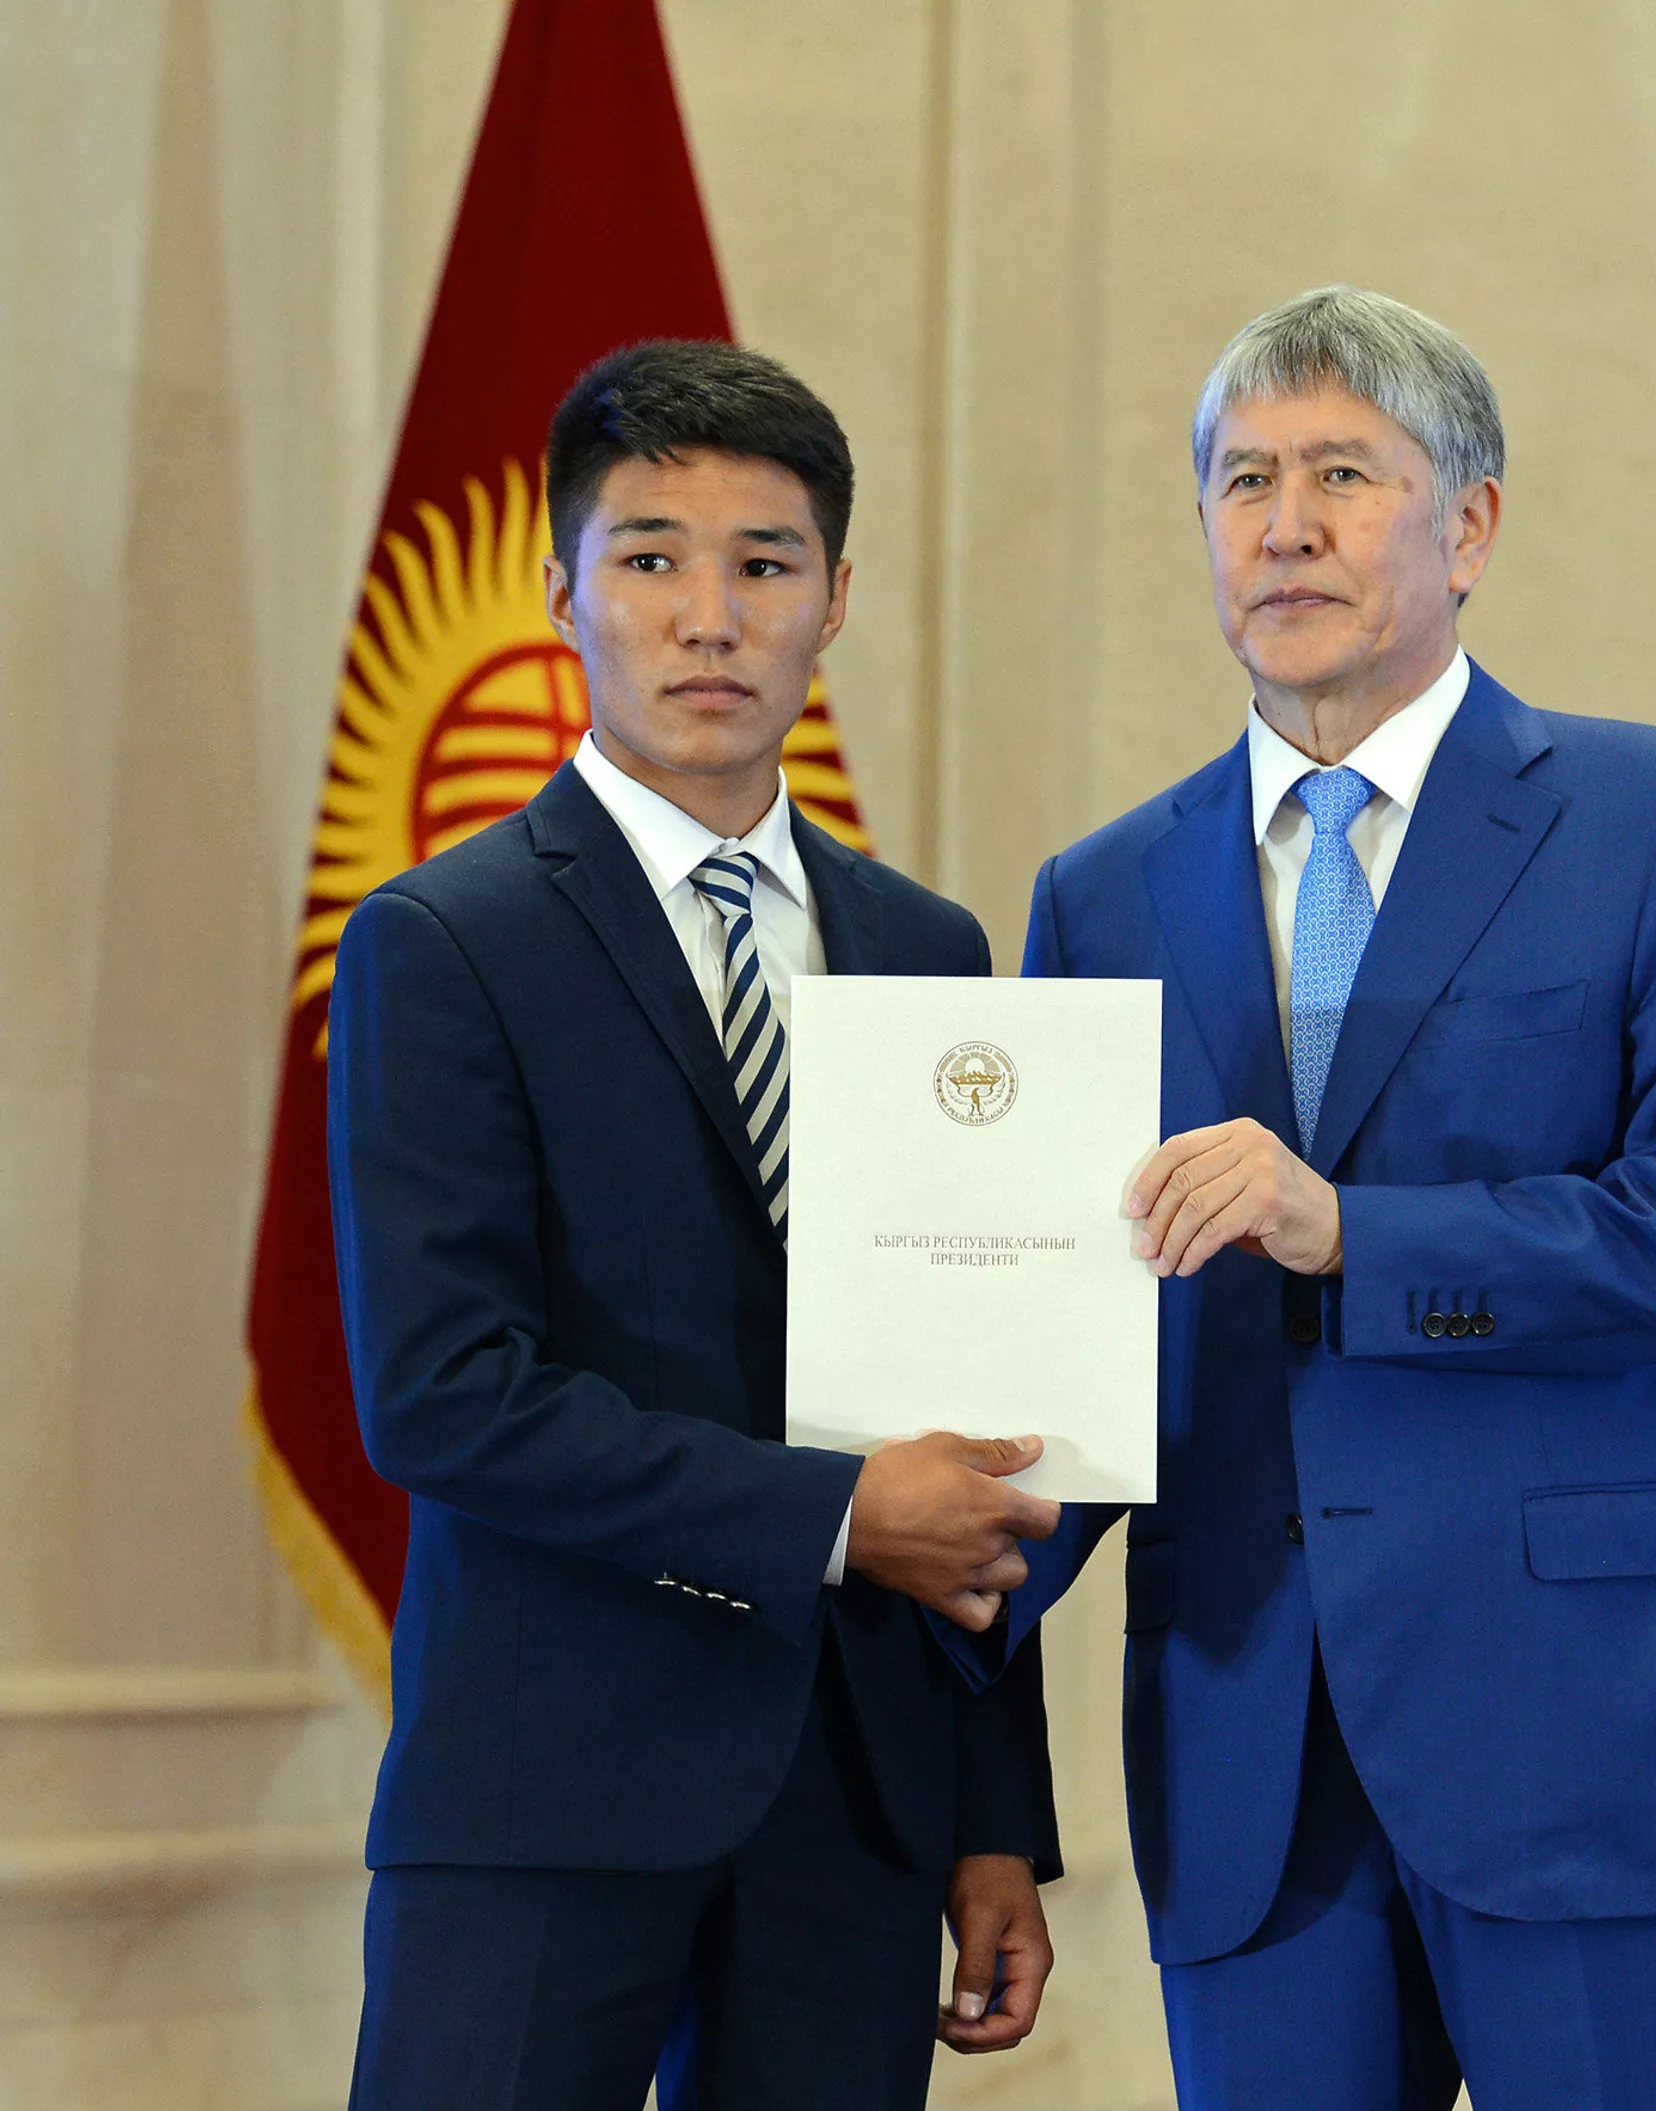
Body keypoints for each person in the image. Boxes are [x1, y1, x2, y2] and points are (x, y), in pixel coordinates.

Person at [977, 286, 1656, 2109]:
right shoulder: (1101, 896)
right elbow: (1059, 1354)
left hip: (1593, 1733)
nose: (1284, 525)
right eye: (1245, 480)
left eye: (1343, 475)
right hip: (1249, 1771)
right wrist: (931, 1683)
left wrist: (1354, 1234)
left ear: (1472, 523)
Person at [329, 339, 1061, 2111]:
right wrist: (837, 1514)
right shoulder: (445, 941)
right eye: (651, 558)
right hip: (545, 1789)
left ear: (836, 600)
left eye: (765, 563)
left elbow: (979, 1393)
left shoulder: (930, 952)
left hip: (859, 1796)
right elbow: (442, 1392)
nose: (710, 617)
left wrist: (992, 1814)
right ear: (561, 591)